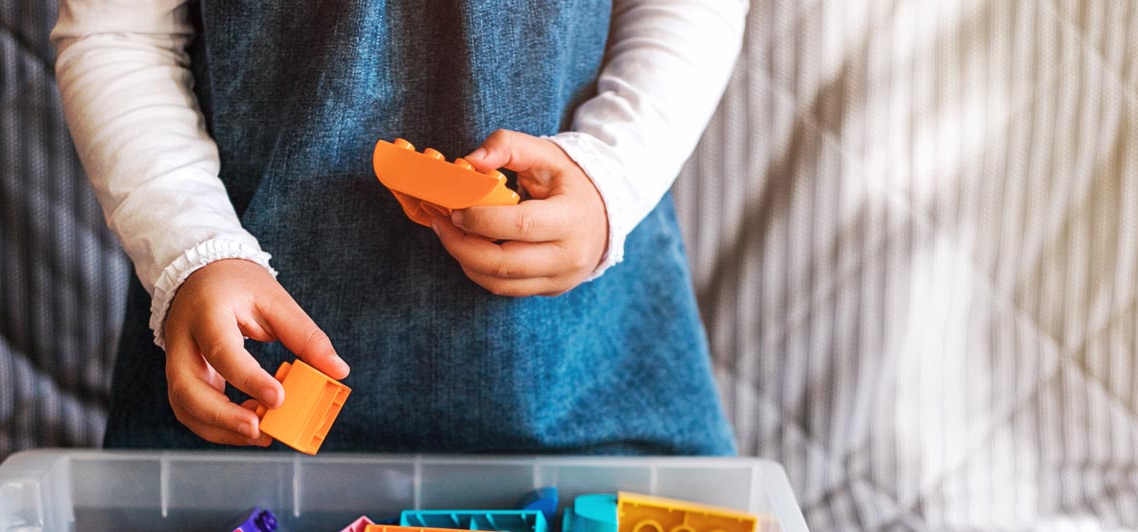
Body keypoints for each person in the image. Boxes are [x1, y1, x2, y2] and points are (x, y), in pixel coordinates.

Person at [52, 0, 747, 454]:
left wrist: (610, 177)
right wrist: (192, 248)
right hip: (243, 385)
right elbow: (117, 33)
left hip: (580, 387)